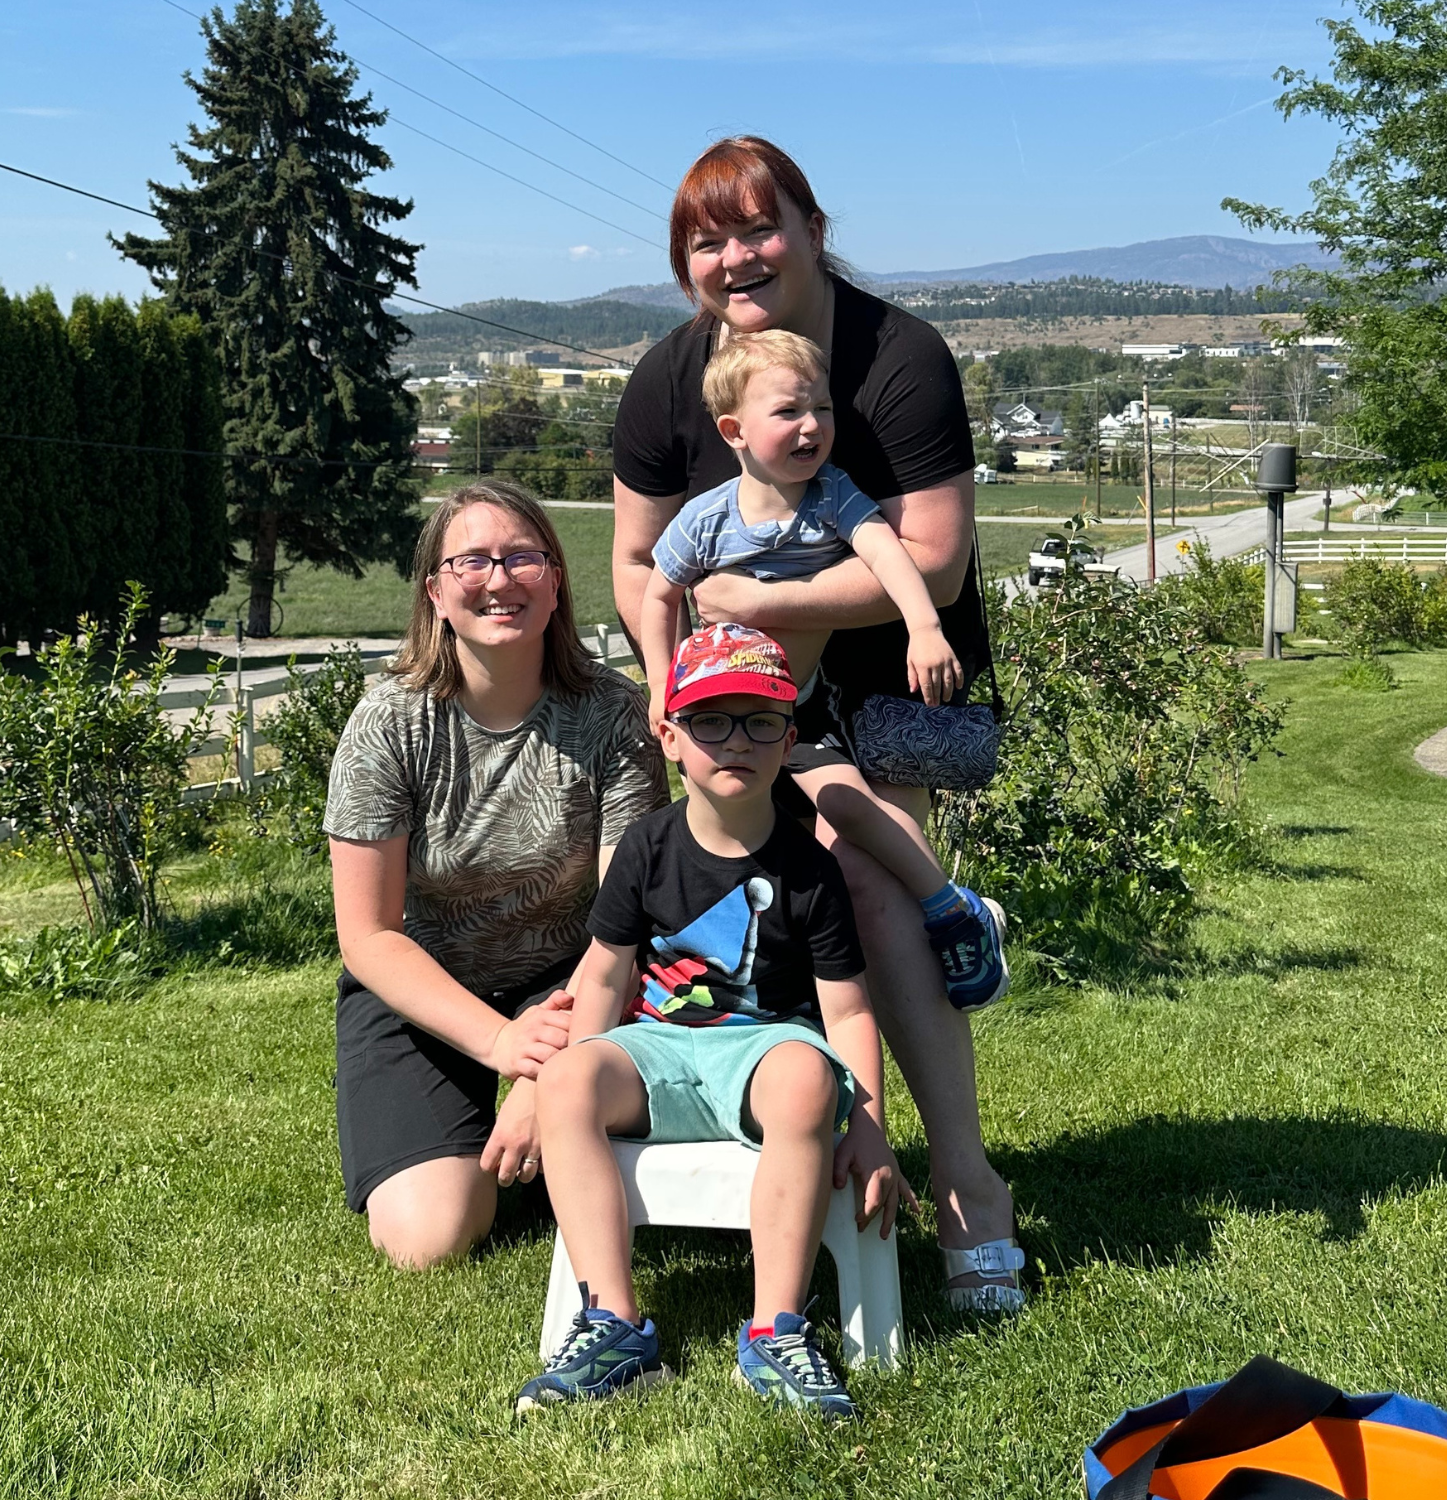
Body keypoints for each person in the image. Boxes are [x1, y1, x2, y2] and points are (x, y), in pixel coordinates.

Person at [612, 135, 1025, 1311]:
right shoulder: (667, 382)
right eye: (707, 239)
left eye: (759, 228)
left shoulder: (899, 362)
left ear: (811, 228)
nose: (735, 257)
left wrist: (763, 601)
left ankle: (962, 1187)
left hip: (885, 681)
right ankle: (793, 1136)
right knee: (697, 885)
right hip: (731, 690)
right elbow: (639, 558)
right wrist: (672, 668)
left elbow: (933, 566)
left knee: (865, 886)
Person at [517, 624, 913, 1418]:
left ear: (788, 737)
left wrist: (868, 1122)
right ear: (670, 737)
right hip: (657, 1046)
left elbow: (846, 1006)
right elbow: (603, 971)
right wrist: (566, 1069)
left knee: (806, 1079)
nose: (735, 741)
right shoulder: (647, 846)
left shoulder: (811, 869)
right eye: (710, 721)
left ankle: (775, 1332)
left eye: (760, 720)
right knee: (565, 1082)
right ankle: (613, 1325)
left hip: (766, 1050)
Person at [325, 480, 667, 1267]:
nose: (498, 578)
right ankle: (503, 1156)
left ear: (555, 584)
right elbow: (369, 936)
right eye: (471, 560)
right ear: (436, 592)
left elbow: (629, 920)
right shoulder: (388, 724)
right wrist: (505, 1045)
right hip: (427, 993)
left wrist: (548, 1072)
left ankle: (550, 1139)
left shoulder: (615, 718)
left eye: (522, 557)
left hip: (582, 982)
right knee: (428, 1239)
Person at [640, 327, 1008, 1012]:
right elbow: (657, 594)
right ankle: (702, 977)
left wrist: (925, 627)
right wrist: (665, 686)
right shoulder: (706, 520)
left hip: (803, 711)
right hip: (724, 717)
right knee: (719, 838)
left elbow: (892, 554)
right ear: (734, 430)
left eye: (824, 410)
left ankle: (952, 909)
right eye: (788, 412)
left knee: (846, 805)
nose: (813, 427)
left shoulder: (832, 497)